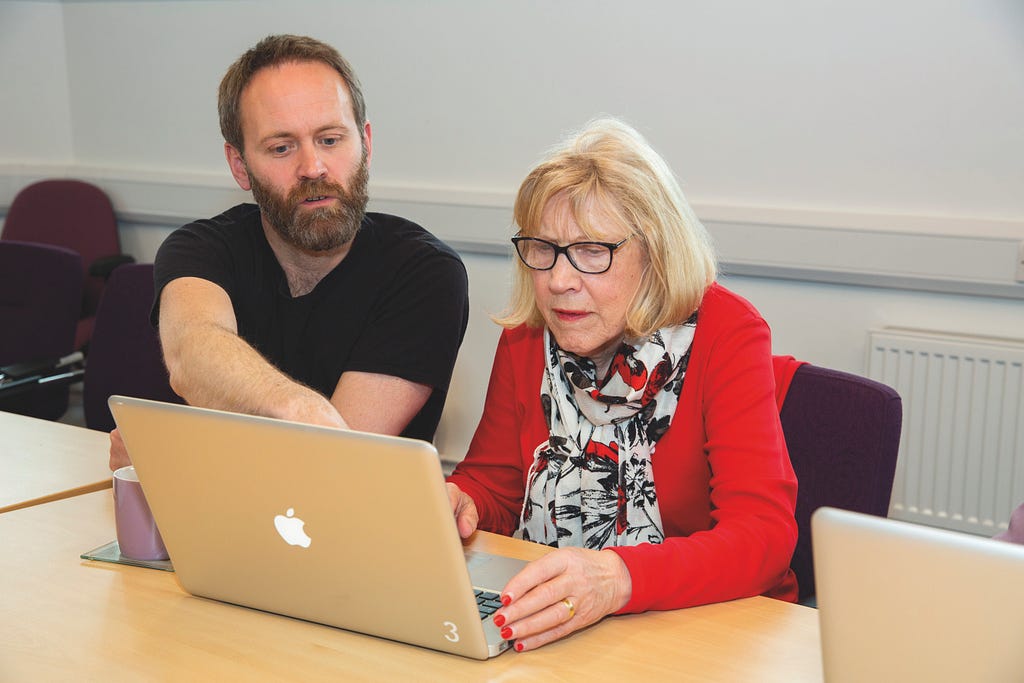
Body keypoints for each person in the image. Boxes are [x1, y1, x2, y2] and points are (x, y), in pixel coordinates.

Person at [446, 118, 798, 652]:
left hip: (706, 633)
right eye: (543, 248)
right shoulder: (529, 335)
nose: (559, 280)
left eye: (593, 252)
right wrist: (458, 501)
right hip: (559, 622)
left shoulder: (727, 333)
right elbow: (496, 485)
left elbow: (762, 537)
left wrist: (616, 578)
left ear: (653, 255)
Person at [109, 35, 468, 469]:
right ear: (239, 165)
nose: (313, 167)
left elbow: (327, 465)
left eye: (331, 139)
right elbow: (191, 350)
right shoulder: (202, 248)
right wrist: (299, 409)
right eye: (281, 147)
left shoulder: (423, 272)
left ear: (366, 144)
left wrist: (180, 452)